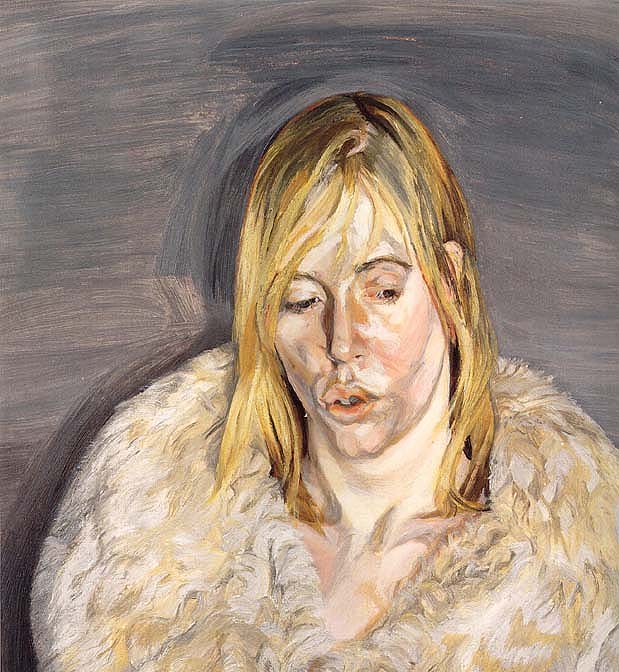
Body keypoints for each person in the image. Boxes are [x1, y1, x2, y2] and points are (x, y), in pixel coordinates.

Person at [31, 93, 618, 671]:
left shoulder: (576, 586)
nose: (340, 342)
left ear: (449, 283)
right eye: (302, 300)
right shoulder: (142, 571)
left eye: (381, 290)